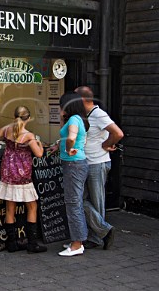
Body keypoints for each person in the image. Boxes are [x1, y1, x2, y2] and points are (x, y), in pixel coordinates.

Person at [0, 106, 47, 253]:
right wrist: (39, 144)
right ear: (29, 118)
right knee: (32, 206)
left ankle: (12, 243)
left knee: (9, 208)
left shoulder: (7, 129)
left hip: (8, 172)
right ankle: (32, 243)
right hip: (22, 174)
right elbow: (39, 154)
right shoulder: (28, 135)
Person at [75, 86, 124, 250]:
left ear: (82, 99)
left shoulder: (99, 114)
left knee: (97, 201)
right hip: (85, 162)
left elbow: (118, 133)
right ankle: (103, 231)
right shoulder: (85, 115)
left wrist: (106, 144)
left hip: (97, 162)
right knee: (80, 199)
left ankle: (97, 236)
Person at [56, 92, 90, 256]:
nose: (59, 107)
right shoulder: (76, 118)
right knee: (74, 202)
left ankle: (77, 245)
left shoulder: (74, 119)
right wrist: (59, 146)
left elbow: (71, 137)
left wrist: (68, 148)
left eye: (61, 104)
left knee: (73, 203)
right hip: (75, 164)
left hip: (74, 164)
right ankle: (77, 240)